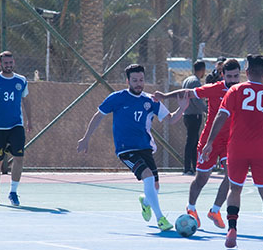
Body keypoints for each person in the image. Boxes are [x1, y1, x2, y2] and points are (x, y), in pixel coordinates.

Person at [78, 63, 188, 232]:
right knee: (148, 176)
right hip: (126, 149)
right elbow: (98, 116)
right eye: (135, 80)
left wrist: (182, 108)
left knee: (155, 187)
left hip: (145, 147)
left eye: (141, 80)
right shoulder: (117, 98)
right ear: (128, 81)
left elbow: (171, 119)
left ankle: (145, 201)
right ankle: (161, 219)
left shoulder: (150, 100)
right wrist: (86, 138)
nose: (138, 83)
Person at [201, 54, 263, 250]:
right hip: (261, 150)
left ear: (246, 72)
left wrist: (209, 142)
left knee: (235, 189)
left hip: (237, 148)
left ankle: (232, 229)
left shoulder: (235, 90)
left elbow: (221, 116)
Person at [155, 59, 241, 230]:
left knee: (231, 177)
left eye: (236, 76)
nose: (233, 80)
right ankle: (191, 207)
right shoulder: (215, 89)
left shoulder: (242, 91)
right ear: (222, 75)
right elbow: (187, 92)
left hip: (230, 142)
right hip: (210, 140)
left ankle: (215, 211)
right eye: (229, 76)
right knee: (201, 178)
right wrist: (164, 96)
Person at [0, 51, 33, 206]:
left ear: (13, 63)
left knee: (19, 158)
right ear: (0, 64)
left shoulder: (21, 80)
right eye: (6, 63)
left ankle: (13, 193)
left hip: (16, 125)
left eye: (11, 63)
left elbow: (26, 101)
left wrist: (29, 121)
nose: (8, 65)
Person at [181, 60, 207, 174]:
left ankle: (194, 166)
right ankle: (187, 168)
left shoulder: (187, 80)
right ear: (202, 70)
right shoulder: (196, 82)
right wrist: (206, 109)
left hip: (187, 114)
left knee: (194, 141)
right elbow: (197, 100)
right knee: (191, 142)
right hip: (194, 115)